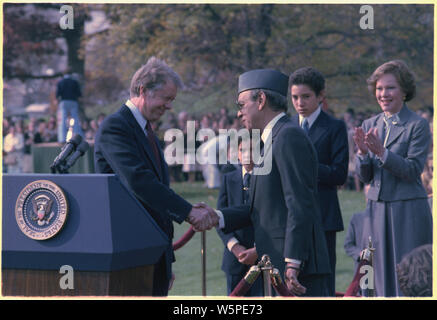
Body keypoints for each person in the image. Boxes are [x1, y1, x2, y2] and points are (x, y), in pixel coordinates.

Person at [94, 57, 217, 296]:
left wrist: (165, 262)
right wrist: (188, 212)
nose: (169, 106)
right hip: (128, 255)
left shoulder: (145, 129)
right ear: (143, 90)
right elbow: (139, 181)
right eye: (166, 98)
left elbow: (156, 192)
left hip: (152, 254)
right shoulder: (115, 127)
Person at [209, 69, 331, 297]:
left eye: (242, 104)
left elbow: (299, 203)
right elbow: (265, 206)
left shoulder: (287, 137)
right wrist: (219, 216)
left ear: (261, 100)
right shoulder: (273, 139)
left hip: (295, 269)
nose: (238, 113)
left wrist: (293, 263)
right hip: (280, 266)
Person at [353, 60, 433, 297]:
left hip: (407, 209)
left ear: (404, 91)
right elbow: (365, 176)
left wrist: (381, 152)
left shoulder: (417, 125)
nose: (383, 94)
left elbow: (412, 170)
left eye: (390, 88)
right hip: (376, 210)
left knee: (408, 277)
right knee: (378, 277)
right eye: (379, 88)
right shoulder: (370, 124)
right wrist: (362, 154)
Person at [289, 67, 349, 296]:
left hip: (324, 216)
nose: (299, 102)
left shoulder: (334, 127)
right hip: (291, 217)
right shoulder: (287, 125)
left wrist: (308, 167)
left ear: (320, 96)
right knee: (291, 284)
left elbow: (339, 174)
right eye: (295, 97)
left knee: (323, 285)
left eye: (306, 96)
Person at [216, 138, 263, 296]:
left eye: (253, 150)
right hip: (235, 259)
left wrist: (258, 249)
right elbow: (220, 218)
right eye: (243, 150)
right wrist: (235, 247)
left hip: (262, 258)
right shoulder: (228, 179)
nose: (248, 154)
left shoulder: (268, 179)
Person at [56, 69, 84, 142]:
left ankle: (62, 138)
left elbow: (58, 94)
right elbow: (79, 94)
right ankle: (78, 136)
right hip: (73, 101)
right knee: (75, 119)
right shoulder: (74, 82)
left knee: (63, 120)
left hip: (64, 101)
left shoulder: (61, 82)